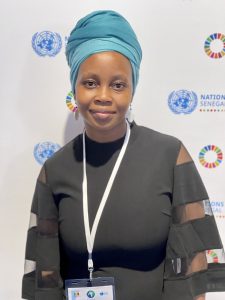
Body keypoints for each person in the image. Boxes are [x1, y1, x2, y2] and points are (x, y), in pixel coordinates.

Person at [22, 10, 225, 300]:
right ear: (74, 87)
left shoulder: (169, 156)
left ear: (132, 89)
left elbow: (193, 268)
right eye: (90, 83)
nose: (103, 95)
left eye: (118, 85)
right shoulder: (54, 170)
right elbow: (45, 278)